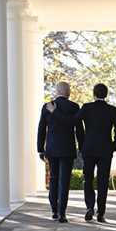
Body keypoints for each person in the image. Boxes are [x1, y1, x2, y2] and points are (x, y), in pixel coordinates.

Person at [46, 83, 116, 223]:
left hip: (89, 150)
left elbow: (71, 122)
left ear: (94, 94)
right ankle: (101, 213)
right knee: (103, 181)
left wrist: (54, 112)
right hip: (105, 150)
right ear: (106, 94)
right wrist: (112, 146)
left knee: (88, 180)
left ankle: (89, 208)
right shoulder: (113, 110)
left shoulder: (87, 108)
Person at [37, 82, 84, 223]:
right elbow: (79, 130)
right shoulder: (74, 107)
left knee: (53, 179)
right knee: (64, 181)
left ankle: (54, 211)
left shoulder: (47, 107)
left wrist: (40, 148)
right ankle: (62, 212)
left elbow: (41, 129)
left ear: (57, 92)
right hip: (67, 149)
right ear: (68, 92)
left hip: (51, 149)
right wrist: (82, 147)